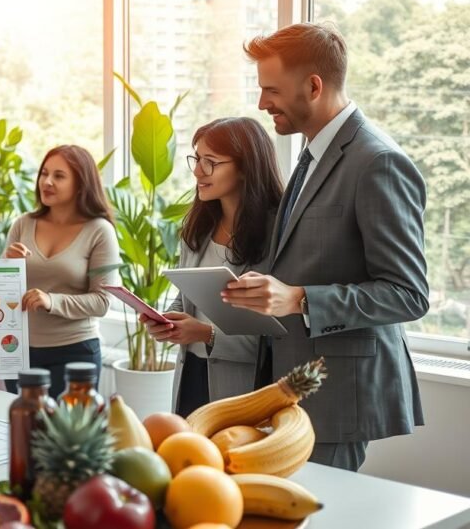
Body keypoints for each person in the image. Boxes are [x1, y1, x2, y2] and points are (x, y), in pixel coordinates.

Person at [222, 23, 428, 471]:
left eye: (271, 90)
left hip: (336, 398)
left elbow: (408, 294)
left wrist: (297, 299)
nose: (261, 104)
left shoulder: (378, 162)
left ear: (313, 86)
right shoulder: (311, 153)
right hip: (293, 387)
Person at [141, 118, 283, 417]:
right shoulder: (197, 227)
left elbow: (276, 338)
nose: (197, 171)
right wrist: (166, 321)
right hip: (191, 373)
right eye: (196, 159)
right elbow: (185, 299)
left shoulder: (278, 234)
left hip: (242, 388)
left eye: (211, 162)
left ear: (245, 167)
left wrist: (206, 334)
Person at [3, 145, 120, 398]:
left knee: (67, 437)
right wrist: (7, 264)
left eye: (59, 176)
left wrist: (50, 300)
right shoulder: (23, 224)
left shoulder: (99, 231)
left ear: (80, 184)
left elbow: (102, 302)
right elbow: (1, 292)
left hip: (75, 354)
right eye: (44, 173)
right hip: (17, 351)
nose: (46, 182)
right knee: (22, 431)